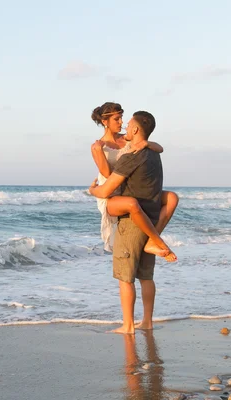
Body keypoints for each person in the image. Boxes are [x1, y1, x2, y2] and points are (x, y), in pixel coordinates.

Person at [89, 111, 173, 334]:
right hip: (151, 217)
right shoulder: (152, 154)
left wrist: (92, 190)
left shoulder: (132, 155)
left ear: (136, 130)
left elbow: (106, 188)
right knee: (146, 275)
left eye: (127, 123)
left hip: (132, 221)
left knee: (126, 277)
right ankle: (147, 321)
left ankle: (127, 326)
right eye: (119, 119)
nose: (124, 124)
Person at [90, 102, 177, 261]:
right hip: (111, 195)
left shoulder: (128, 139)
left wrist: (147, 143)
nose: (121, 123)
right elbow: (108, 174)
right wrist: (98, 152)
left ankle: (152, 240)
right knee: (131, 203)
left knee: (172, 198)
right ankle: (159, 242)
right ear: (105, 122)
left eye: (122, 118)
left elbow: (160, 148)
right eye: (117, 119)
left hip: (131, 190)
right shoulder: (98, 147)